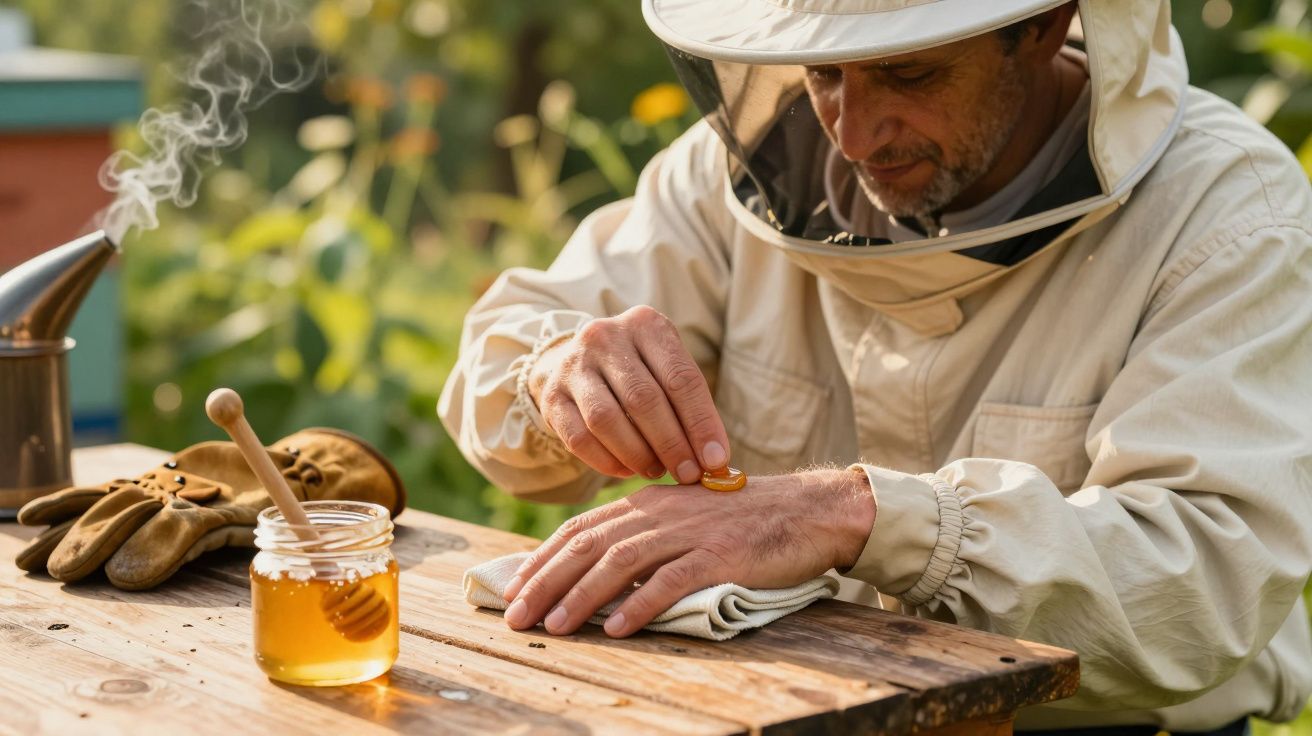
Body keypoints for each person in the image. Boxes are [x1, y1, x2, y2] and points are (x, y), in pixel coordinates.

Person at [438, 0, 1312, 731]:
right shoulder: (729, 174)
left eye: (910, 72)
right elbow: (503, 356)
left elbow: (1202, 580)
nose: (853, 132)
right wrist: (558, 369)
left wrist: (853, 516)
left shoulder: (1228, 212)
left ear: (1043, 25)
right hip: (768, 706)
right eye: (825, 73)